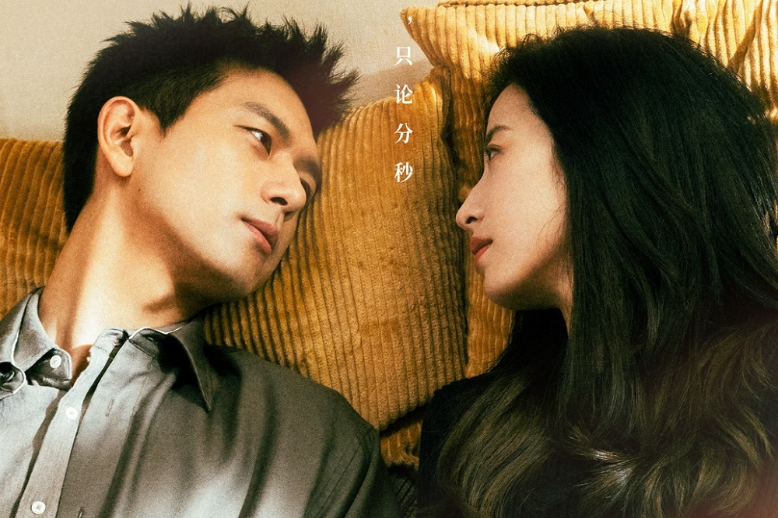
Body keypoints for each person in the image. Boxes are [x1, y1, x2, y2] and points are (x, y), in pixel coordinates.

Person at [0, 7, 400, 517]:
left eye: (307, 183)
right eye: (261, 138)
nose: (294, 195)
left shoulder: (317, 450)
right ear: (124, 135)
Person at [418, 26, 778, 517]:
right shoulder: (466, 428)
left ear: (602, 147)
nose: (465, 212)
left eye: (495, 153)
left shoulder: (763, 390)